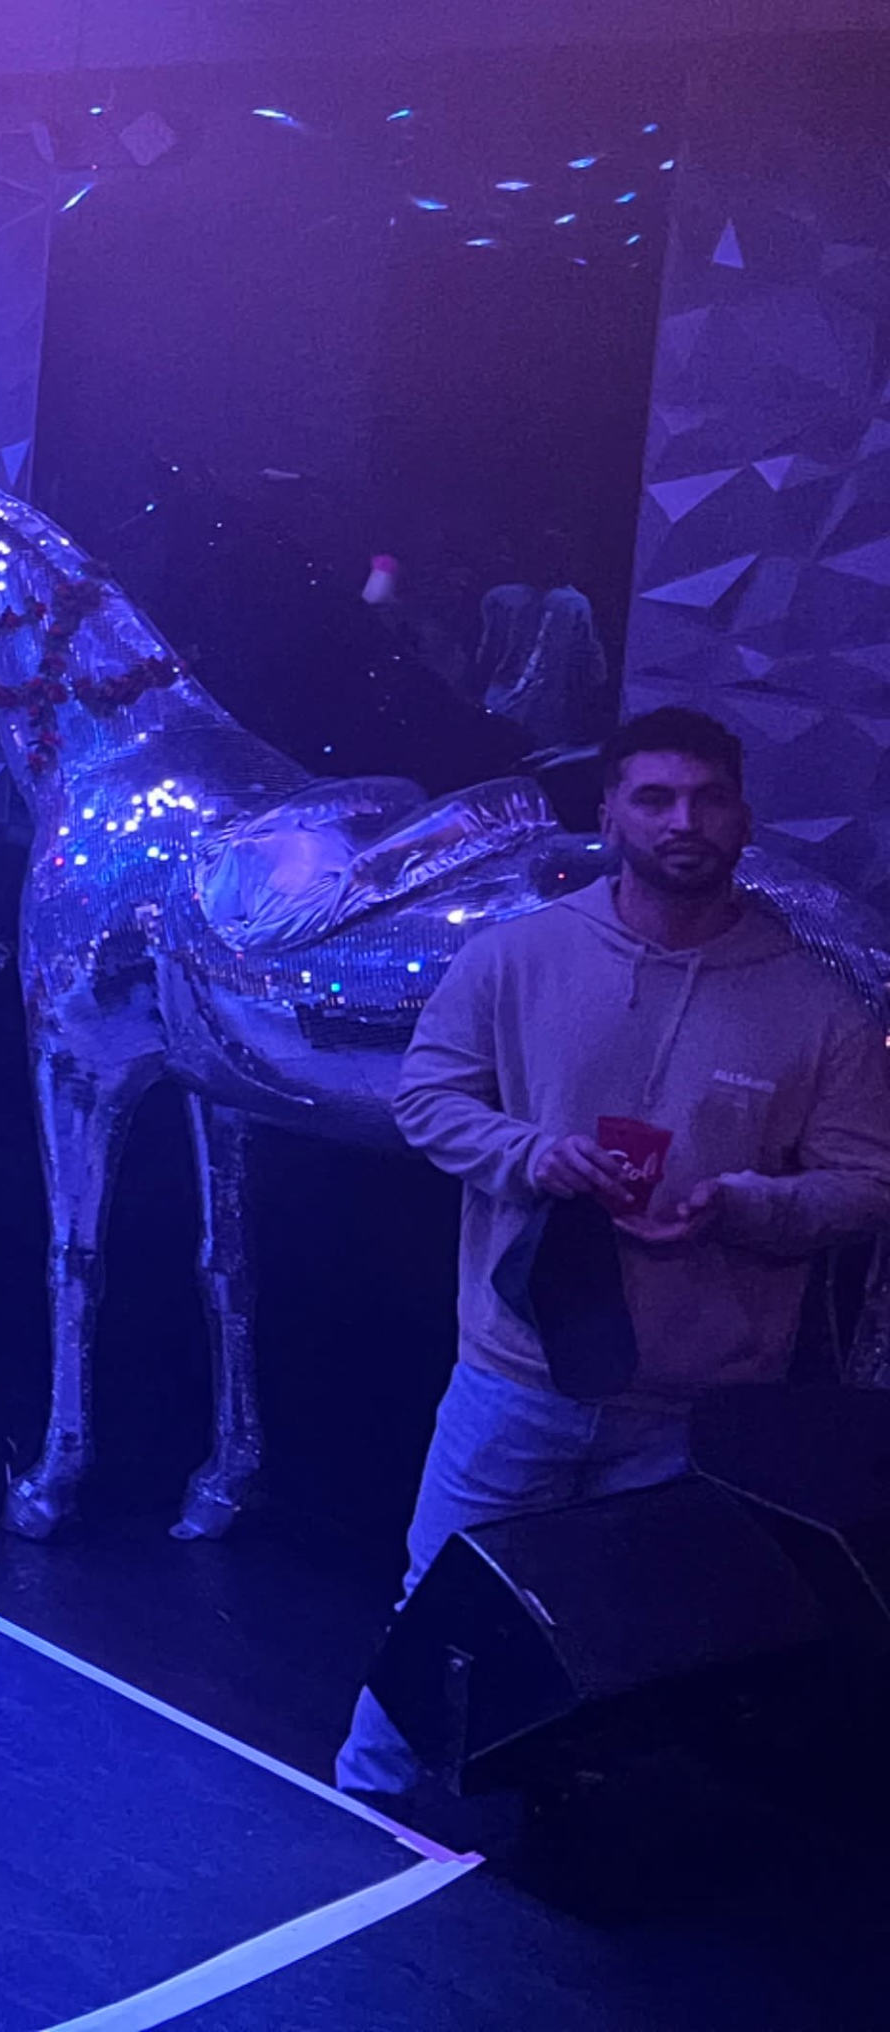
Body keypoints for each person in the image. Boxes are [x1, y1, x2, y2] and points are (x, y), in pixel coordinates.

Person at [333, 704, 890, 1798]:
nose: (684, 820)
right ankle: (365, 1805)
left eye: (708, 798)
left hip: (696, 1405)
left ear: (742, 816)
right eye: (657, 797)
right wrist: (533, 1156)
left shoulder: (819, 1006)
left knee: (620, 1652)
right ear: (611, 816)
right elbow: (429, 1100)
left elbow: (870, 1182)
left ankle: (544, 1856)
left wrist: (752, 1204)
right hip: (519, 1369)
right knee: (441, 1603)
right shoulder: (518, 955)